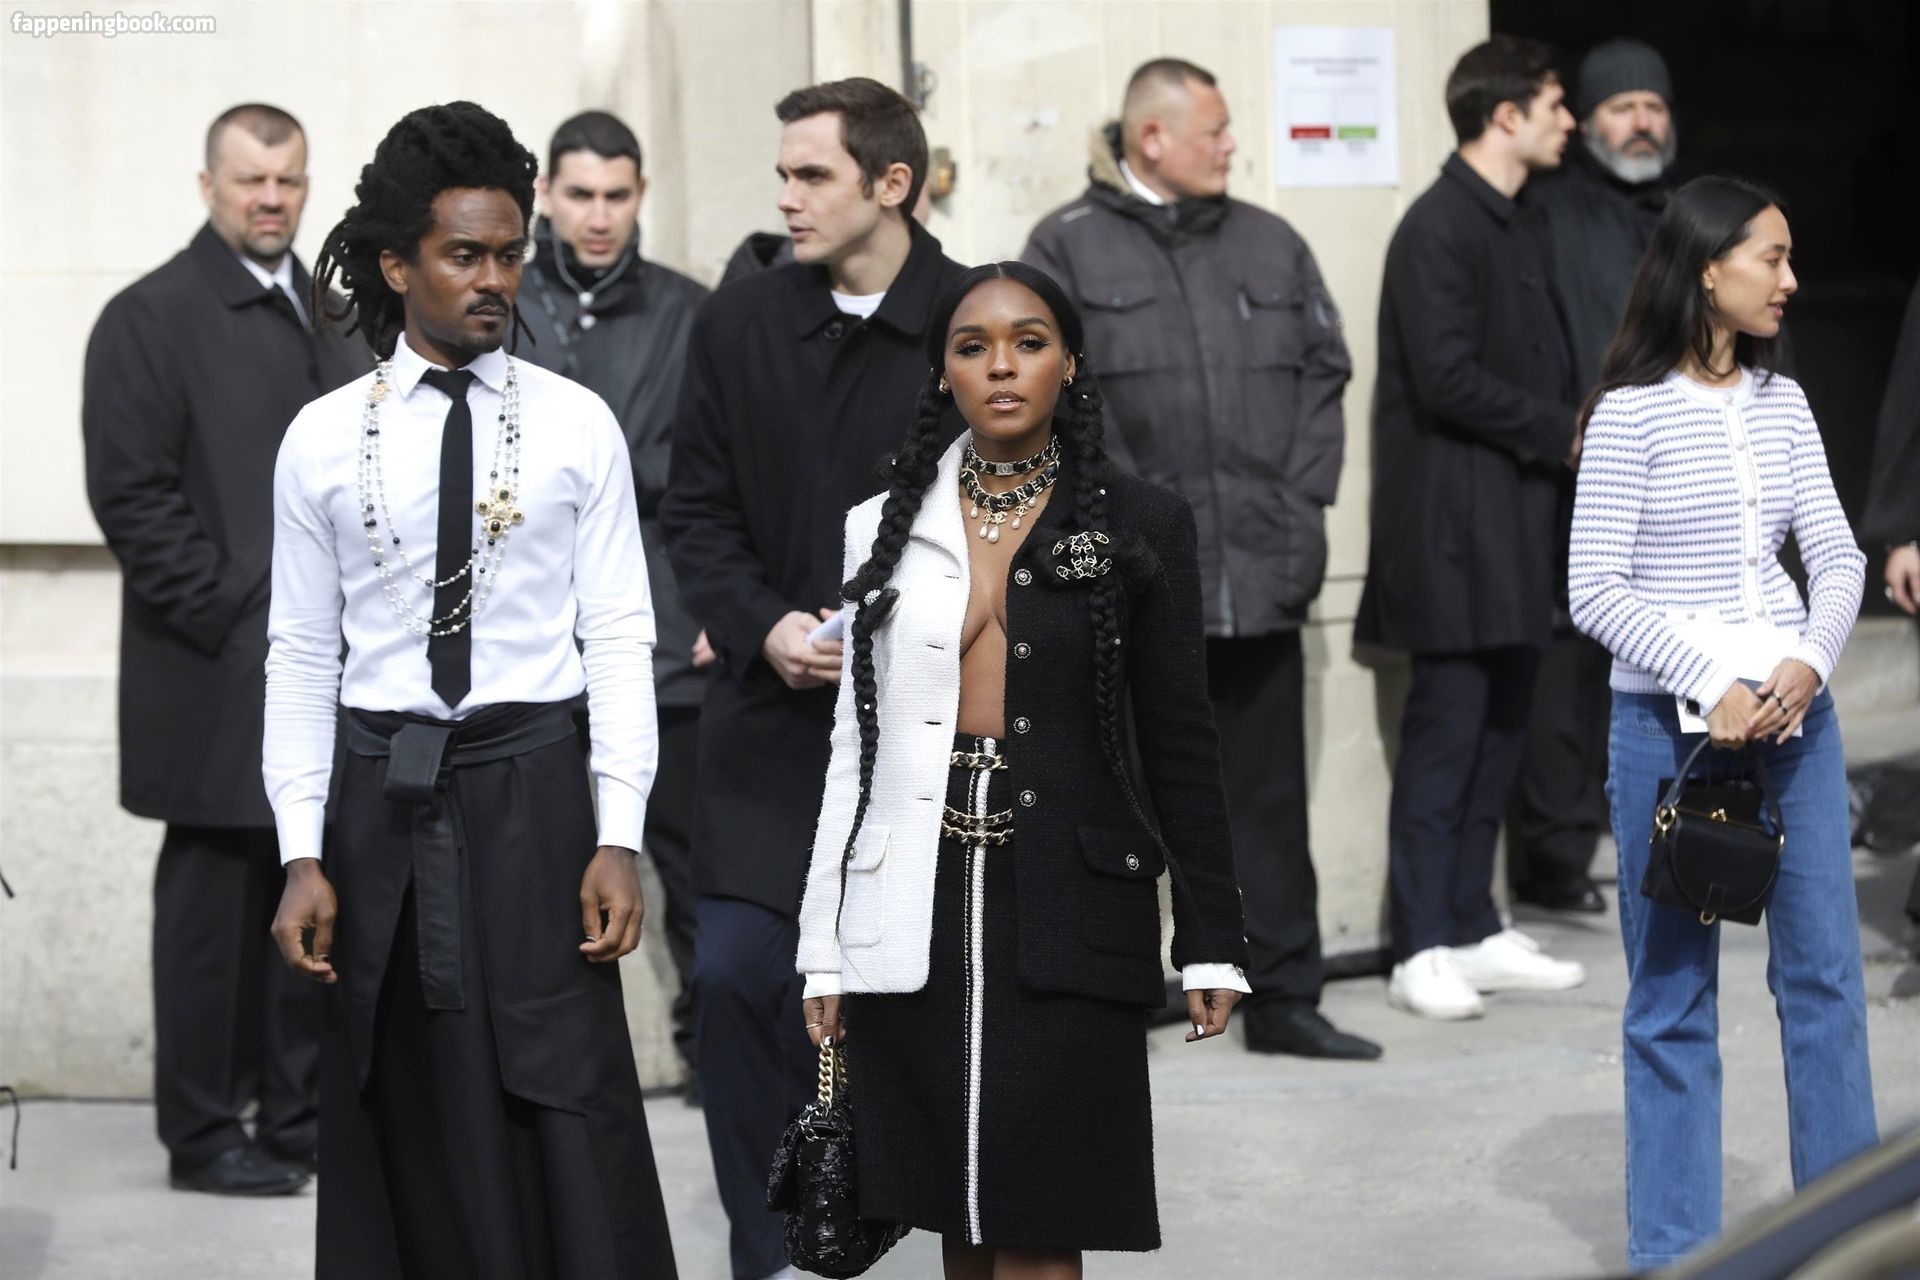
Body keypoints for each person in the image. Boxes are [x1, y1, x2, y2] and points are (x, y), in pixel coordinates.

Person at [264, 101, 676, 1278]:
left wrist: (618, 832)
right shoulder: (321, 439)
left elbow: (619, 635)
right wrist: (302, 848)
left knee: (564, 1098)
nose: (495, 279)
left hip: (535, 794)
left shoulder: (576, 425)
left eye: (509, 253)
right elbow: (300, 653)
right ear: (398, 265)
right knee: (401, 1098)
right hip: (378, 803)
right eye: (464, 255)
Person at [798, 261, 1249, 1277]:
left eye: (1029, 342)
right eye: (973, 346)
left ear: (1069, 363)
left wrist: (1213, 941)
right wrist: (823, 946)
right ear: (943, 373)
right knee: (954, 1207)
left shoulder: (1139, 522)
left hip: (1073, 898)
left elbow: (1181, 740)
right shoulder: (882, 525)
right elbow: (855, 748)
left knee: (1044, 1213)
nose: (1002, 365)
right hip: (913, 894)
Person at [660, 77, 966, 1280]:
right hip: (768, 722)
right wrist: (764, 626)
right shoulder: (738, 322)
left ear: (892, 183)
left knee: (912, 1009)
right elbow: (695, 511)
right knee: (738, 979)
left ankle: (911, 1226)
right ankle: (776, 1253)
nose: (786, 197)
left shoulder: (977, 319)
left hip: (925, 735)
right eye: (782, 173)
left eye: (812, 175)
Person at [1022, 59, 1374, 1061]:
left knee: (1267, 798)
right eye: (1213, 130)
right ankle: (1122, 993)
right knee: (1118, 794)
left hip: (1263, 568)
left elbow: (1325, 372)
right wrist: (1115, 526)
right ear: (1153, 139)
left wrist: (1301, 502)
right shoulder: (1066, 246)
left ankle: (1286, 993)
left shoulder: (1271, 241)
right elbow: (1054, 403)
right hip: (1133, 583)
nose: (1231, 146)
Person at [1568, 174, 1878, 1269]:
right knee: (1670, 1000)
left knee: (1827, 986)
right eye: (1772, 258)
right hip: (1669, 731)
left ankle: (1852, 1241)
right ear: (1708, 269)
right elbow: (1594, 587)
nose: (1791, 280)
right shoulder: (1629, 413)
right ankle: (1675, 1255)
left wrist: (1807, 659)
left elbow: (1836, 554)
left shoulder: (1783, 402)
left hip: (1799, 726)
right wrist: (1714, 677)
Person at [81, 102, 369, 1196]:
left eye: (288, 180)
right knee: (211, 915)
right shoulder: (148, 318)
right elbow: (132, 495)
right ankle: (203, 1133)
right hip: (209, 675)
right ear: (209, 185)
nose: (271, 199)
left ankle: (294, 1119)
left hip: (327, 670)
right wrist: (233, 608)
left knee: (308, 890)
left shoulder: (337, 315)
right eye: (251, 179)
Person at [1354, 36, 1589, 1020]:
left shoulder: (1521, 218)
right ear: (1505, 115)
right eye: (1554, 104)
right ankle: (1419, 945)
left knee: (1502, 731)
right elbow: (1446, 377)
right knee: (1447, 736)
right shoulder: (1438, 226)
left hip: (1518, 521)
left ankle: (1471, 924)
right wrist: (1563, 428)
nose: (1568, 121)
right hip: (1451, 528)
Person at [518, 109, 711, 1080]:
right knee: (543, 862)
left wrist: (721, 609)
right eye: (581, 194)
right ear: (546, 195)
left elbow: (722, 478)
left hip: (665, 629)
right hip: (533, 638)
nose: (599, 216)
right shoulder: (503, 300)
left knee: (690, 860)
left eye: (617, 196)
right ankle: (548, 1057)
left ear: (641, 197)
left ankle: (708, 1047)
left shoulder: (691, 310)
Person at [1513, 38, 1681, 915]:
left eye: (1653, 106)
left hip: (1679, 479)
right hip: (1578, 477)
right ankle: (1556, 854)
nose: (1641, 122)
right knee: (1569, 672)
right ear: (1588, 122)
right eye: (1622, 107)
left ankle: (1673, 834)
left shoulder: (1685, 215)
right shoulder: (1547, 212)